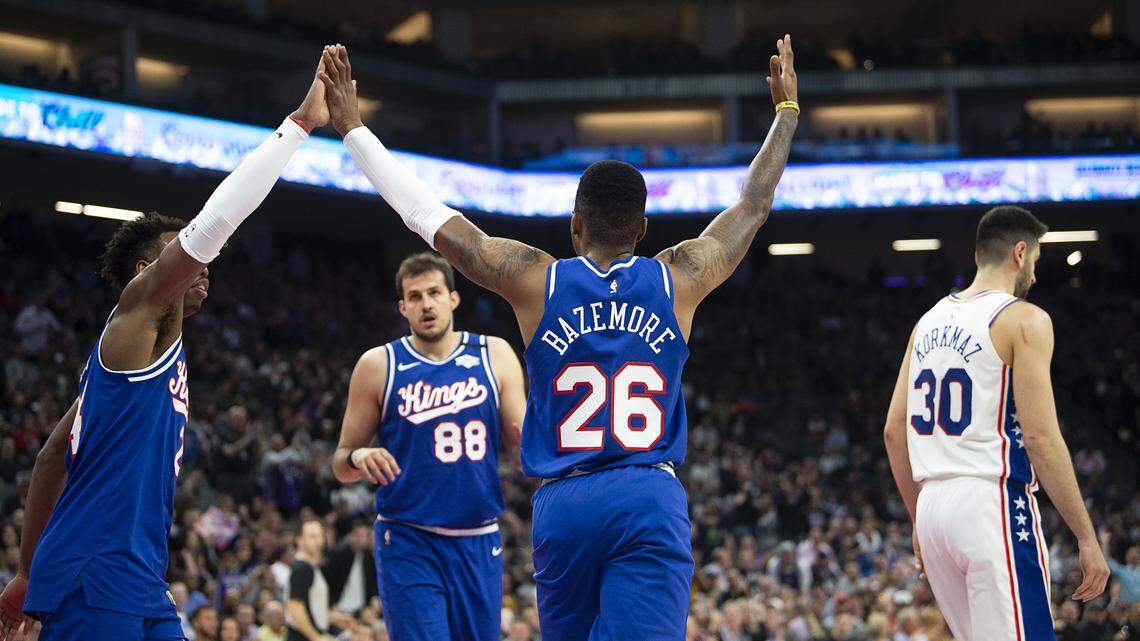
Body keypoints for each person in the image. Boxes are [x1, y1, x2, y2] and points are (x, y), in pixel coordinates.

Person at [319, 32, 799, 640]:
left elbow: (433, 222)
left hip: (564, 503)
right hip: (646, 493)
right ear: (643, 228)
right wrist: (785, 113)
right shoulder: (680, 278)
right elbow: (754, 205)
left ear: (575, 225)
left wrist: (355, 130)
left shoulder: (534, 280)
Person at [0, 53, 331, 641]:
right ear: (147, 270)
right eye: (184, 252)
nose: (205, 263)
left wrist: (27, 573)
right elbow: (218, 220)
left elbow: (53, 456)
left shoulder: (129, 364)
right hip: (94, 571)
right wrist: (298, 127)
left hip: (140, 578)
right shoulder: (134, 314)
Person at [883, 206, 1111, 641]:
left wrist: (916, 518)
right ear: (1020, 253)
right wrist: (1085, 535)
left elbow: (894, 432)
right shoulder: (1024, 319)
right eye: (1038, 261)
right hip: (989, 503)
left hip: (932, 507)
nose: (1036, 277)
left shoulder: (926, 322)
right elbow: (1041, 438)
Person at [331, 251, 526, 641]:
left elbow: (524, 454)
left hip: (478, 536)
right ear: (402, 307)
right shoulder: (378, 365)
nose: (427, 304)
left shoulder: (495, 354)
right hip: (408, 538)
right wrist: (359, 455)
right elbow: (340, 463)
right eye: (415, 297)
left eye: (434, 293)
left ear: (453, 299)